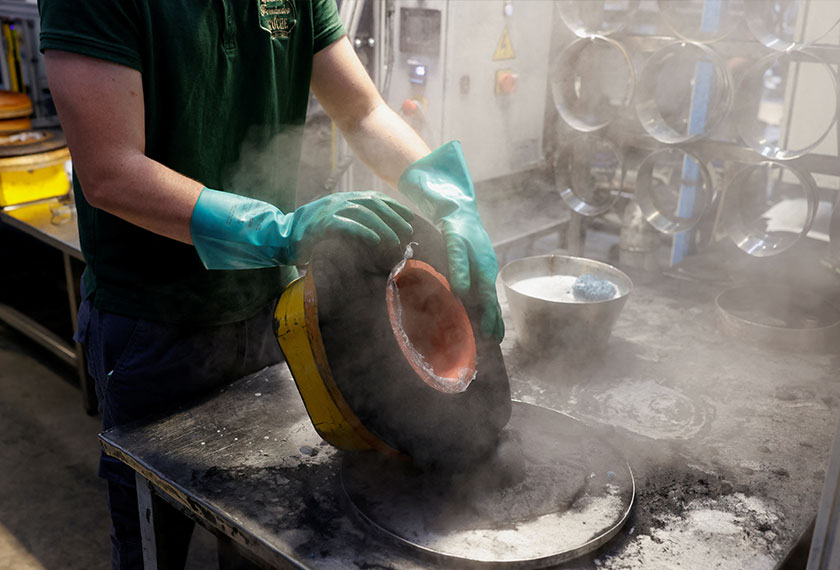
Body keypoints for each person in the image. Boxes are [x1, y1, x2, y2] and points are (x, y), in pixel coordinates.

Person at [38, 1, 503, 568]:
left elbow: (361, 111)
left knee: (261, 525)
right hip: (152, 322)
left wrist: (448, 197)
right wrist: (278, 230)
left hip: (269, 313)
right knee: (152, 532)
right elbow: (110, 170)